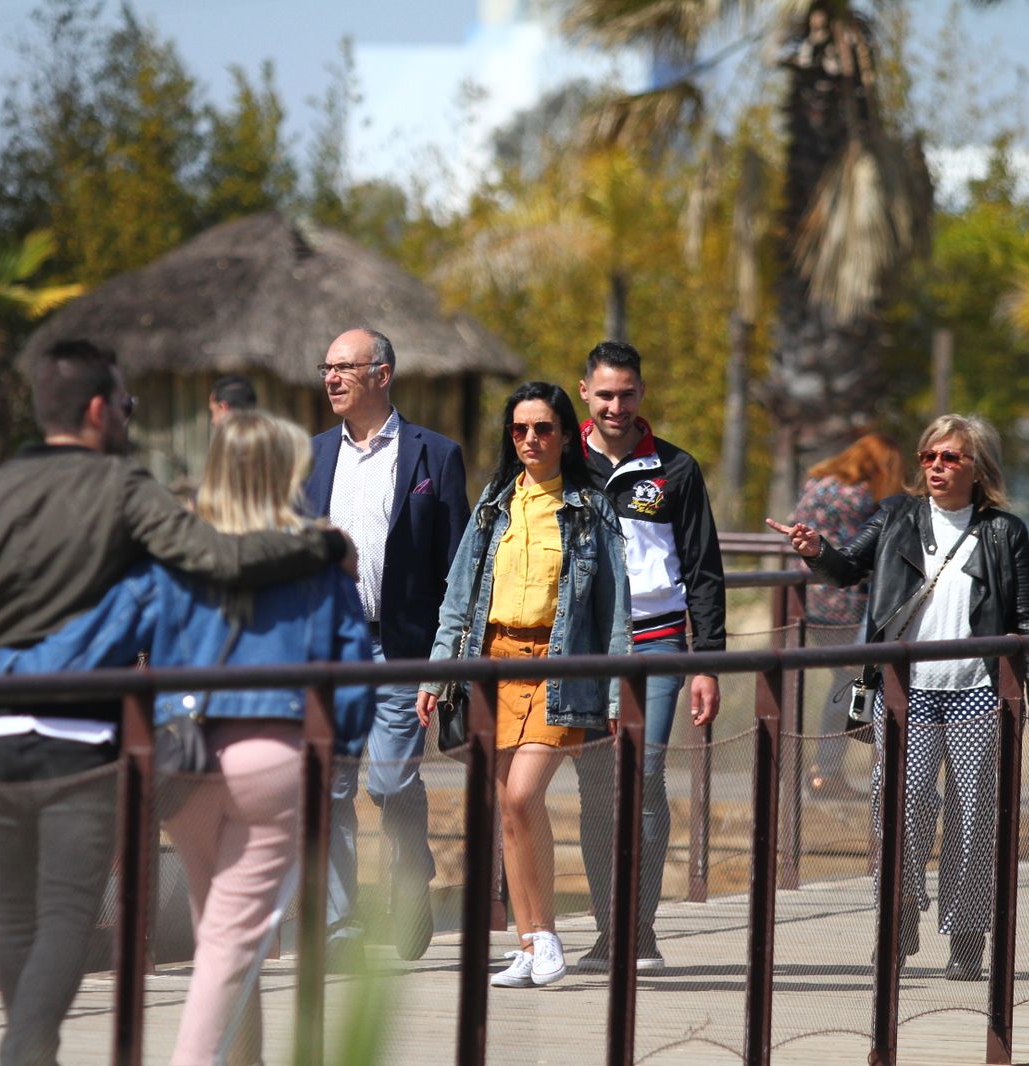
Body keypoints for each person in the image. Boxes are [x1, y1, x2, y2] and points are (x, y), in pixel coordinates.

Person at [0, 340, 352, 1066]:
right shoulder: (123, 487)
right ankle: (24, 1053)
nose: (131, 417)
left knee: (16, 915)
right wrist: (318, 549)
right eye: (127, 405)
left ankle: (30, 1052)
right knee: (68, 910)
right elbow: (216, 560)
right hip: (84, 733)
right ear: (98, 410)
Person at [765, 413, 1029, 982]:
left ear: (978, 467)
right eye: (929, 457)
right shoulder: (897, 516)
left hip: (977, 692)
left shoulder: (1004, 531)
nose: (937, 468)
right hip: (906, 694)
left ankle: (969, 936)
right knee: (900, 812)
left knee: (975, 818)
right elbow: (847, 569)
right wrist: (814, 549)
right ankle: (896, 930)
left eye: (951, 458)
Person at [417, 381, 630, 989]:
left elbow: (616, 609)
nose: (531, 440)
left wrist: (616, 693)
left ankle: (550, 936)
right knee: (506, 809)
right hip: (493, 665)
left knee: (521, 796)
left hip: (560, 668)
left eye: (542, 428)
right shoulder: (494, 503)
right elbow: (459, 598)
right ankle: (530, 941)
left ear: (567, 434)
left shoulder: (592, 508)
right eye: (519, 430)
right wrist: (437, 671)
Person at [304, 327, 469, 965]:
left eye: (346, 366)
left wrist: (448, 654)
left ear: (383, 373)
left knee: (389, 778)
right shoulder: (315, 455)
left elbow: (458, 562)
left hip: (404, 646)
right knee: (332, 787)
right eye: (328, 366)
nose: (332, 378)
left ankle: (409, 880)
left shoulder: (436, 455)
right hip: (331, 646)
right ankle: (340, 927)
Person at [571, 340, 724, 973]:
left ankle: (640, 929)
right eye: (604, 393)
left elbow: (704, 571)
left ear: (642, 394)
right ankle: (608, 931)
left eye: (626, 394)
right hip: (579, 650)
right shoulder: (558, 459)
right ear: (585, 391)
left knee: (645, 779)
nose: (615, 405)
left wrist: (707, 662)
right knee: (595, 789)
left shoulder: (676, 469)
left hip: (656, 642)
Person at [785, 432, 905, 797]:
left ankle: (826, 770)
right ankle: (827, 771)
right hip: (845, 603)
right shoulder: (858, 497)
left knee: (844, 680)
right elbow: (868, 551)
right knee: (847, 681)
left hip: (812, 600)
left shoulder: (817, 484)